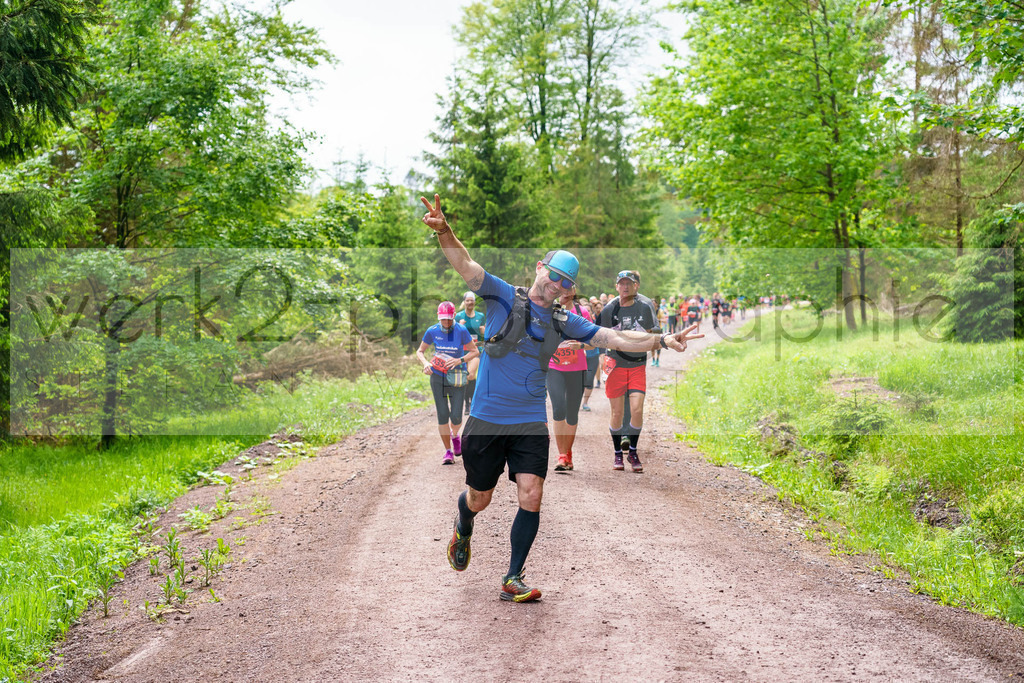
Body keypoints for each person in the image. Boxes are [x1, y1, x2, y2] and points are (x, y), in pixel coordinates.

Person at [420, 194, 702, 603]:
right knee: (479, 498)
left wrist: (662, 338)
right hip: (486, 418)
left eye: (566, 283)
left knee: (531, 494)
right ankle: (463, 523)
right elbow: (465, 264)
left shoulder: (564, 321)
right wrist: (445, 230)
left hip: (530, 422)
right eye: (553, 275)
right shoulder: (501, 296)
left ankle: (512, 577)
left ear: (570, 291)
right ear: (540, 267)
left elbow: (615, 337)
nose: (557, 285)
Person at [599, 269, 659, 473]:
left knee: (637, 410)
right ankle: (618, 453)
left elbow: (651, 334)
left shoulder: (644, 307)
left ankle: (632, 450)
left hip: (637, 366)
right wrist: (601, 357)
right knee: (617, 412)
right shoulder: (609, 309)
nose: (625, 287)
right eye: (621, 283)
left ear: (636, 286)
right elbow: (601, 336)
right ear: (616, 286)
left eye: (629, 283)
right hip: (615, 365)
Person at [416, 302, 479, 465]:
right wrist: (425, 364)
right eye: (443, 320)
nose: (446, 323)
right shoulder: (432, 331)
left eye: (449, 320)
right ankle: (448, 451)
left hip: (457, 376)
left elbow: (475, 351)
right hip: (437, 376)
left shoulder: (461, 330)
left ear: (453, 317)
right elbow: (420, 351)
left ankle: (455, 436)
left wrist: (459, 360)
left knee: (457, 416)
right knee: (442, 414)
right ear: (439, 318)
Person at [547, 286, 593, 472]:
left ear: (574, 291)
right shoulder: (548, 311)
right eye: (562, 289)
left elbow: (594, 342)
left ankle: (568, 452)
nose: (565, 293)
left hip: (577, 367)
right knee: (559, 408)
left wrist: (580, 345)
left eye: (569, 289)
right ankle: (561, 455)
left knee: (572, 413)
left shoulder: (582, 313)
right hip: (554, 366)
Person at [455, 291, 486, 413]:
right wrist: (459, 326)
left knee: (471, 375)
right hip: (462, 351)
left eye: (471, 300)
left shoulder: (480, 316)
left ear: (474, 302)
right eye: (467, 300)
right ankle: (467, 404)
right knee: (465, 378)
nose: (470, 302)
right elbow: (454, 334)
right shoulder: (458, 316)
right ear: (464, 302)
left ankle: (472, 402)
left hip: (476, 350)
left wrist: (484, 331)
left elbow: (484, 334)